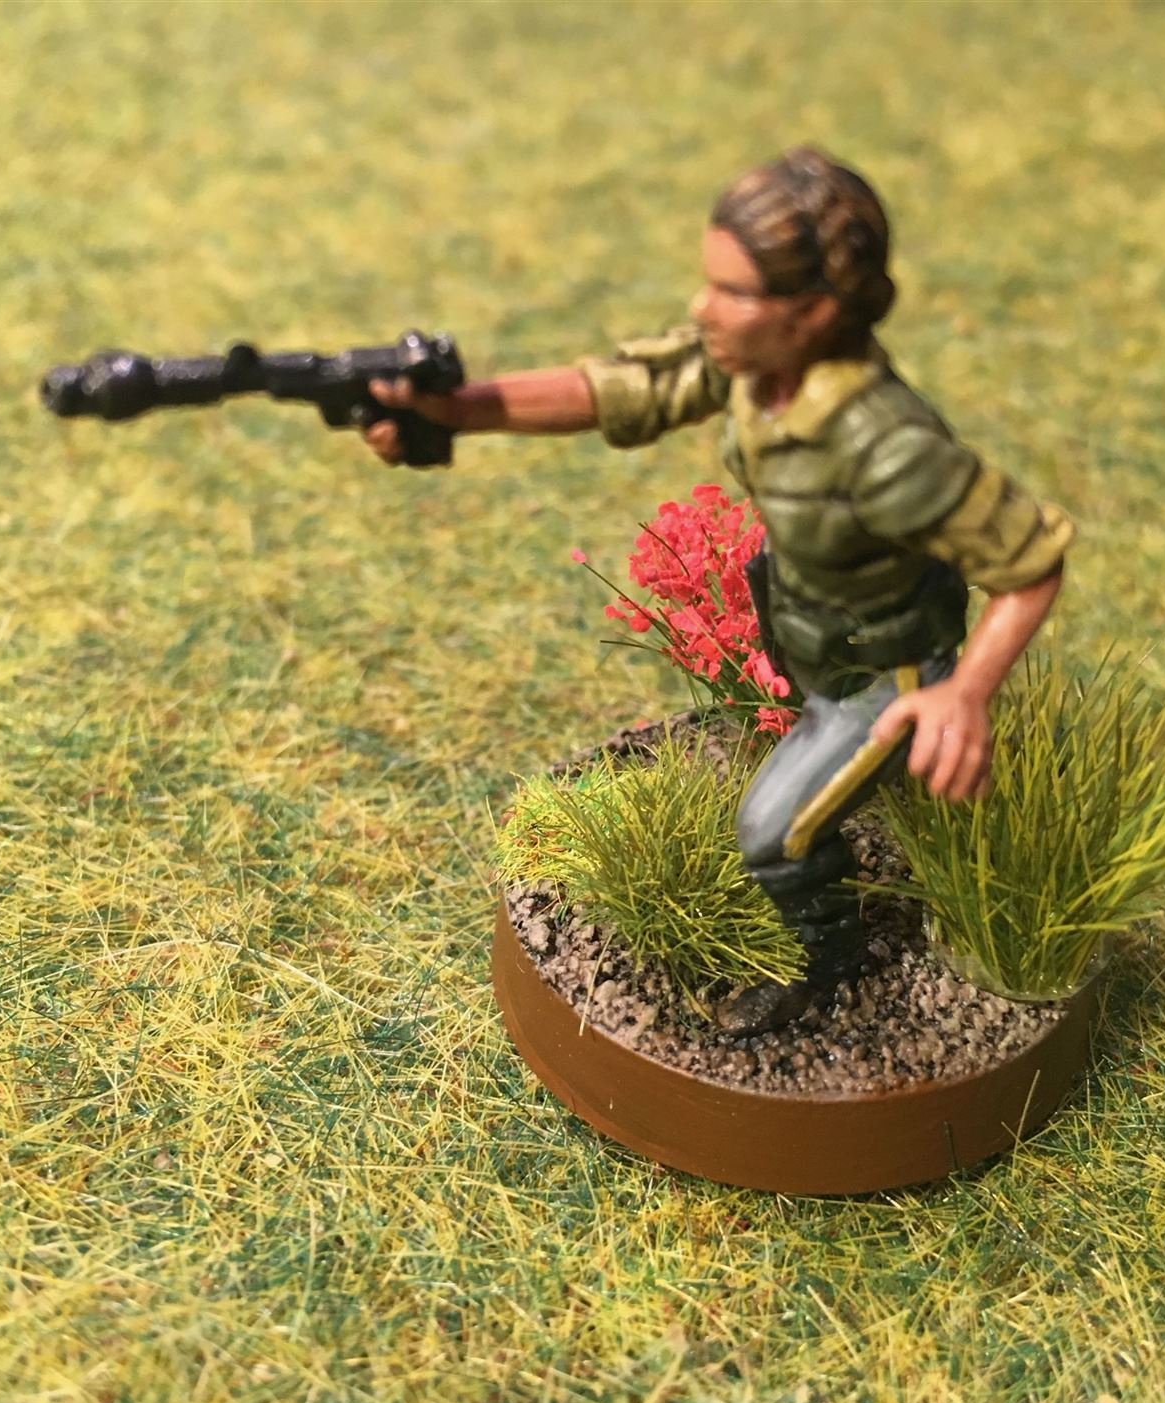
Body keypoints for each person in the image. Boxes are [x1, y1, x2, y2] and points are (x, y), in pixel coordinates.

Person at [363, 147, 1075, 1036]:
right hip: (807, 633)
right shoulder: (754, 369)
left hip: (878, 674)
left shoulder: (887, 446)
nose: (703, 308)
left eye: (733, 292)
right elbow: (623, 388)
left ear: (814, 312)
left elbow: (1030, 561)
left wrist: (962, 695)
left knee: (772, 835)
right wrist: (459, 411)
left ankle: (830, 967)